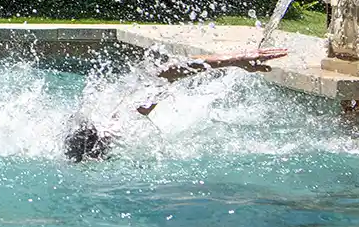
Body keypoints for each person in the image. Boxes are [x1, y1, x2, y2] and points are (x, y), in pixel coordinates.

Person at [61, 50, 285, 162]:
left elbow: (166, 73)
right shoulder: (122, 127)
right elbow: (168, 73)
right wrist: (235, 61)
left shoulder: (123, 119)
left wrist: (236, 60)